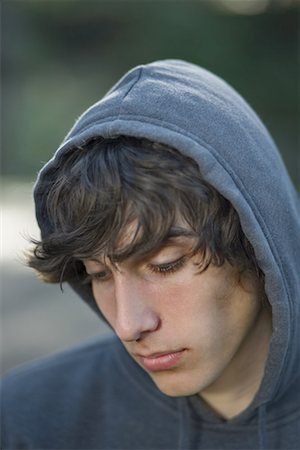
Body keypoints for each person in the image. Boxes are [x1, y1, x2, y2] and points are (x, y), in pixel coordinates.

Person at [1, 60, 299, 450]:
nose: (128, 325)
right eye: (98, 274)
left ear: (257, 245)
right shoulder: (27, 420)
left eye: (165, 265)